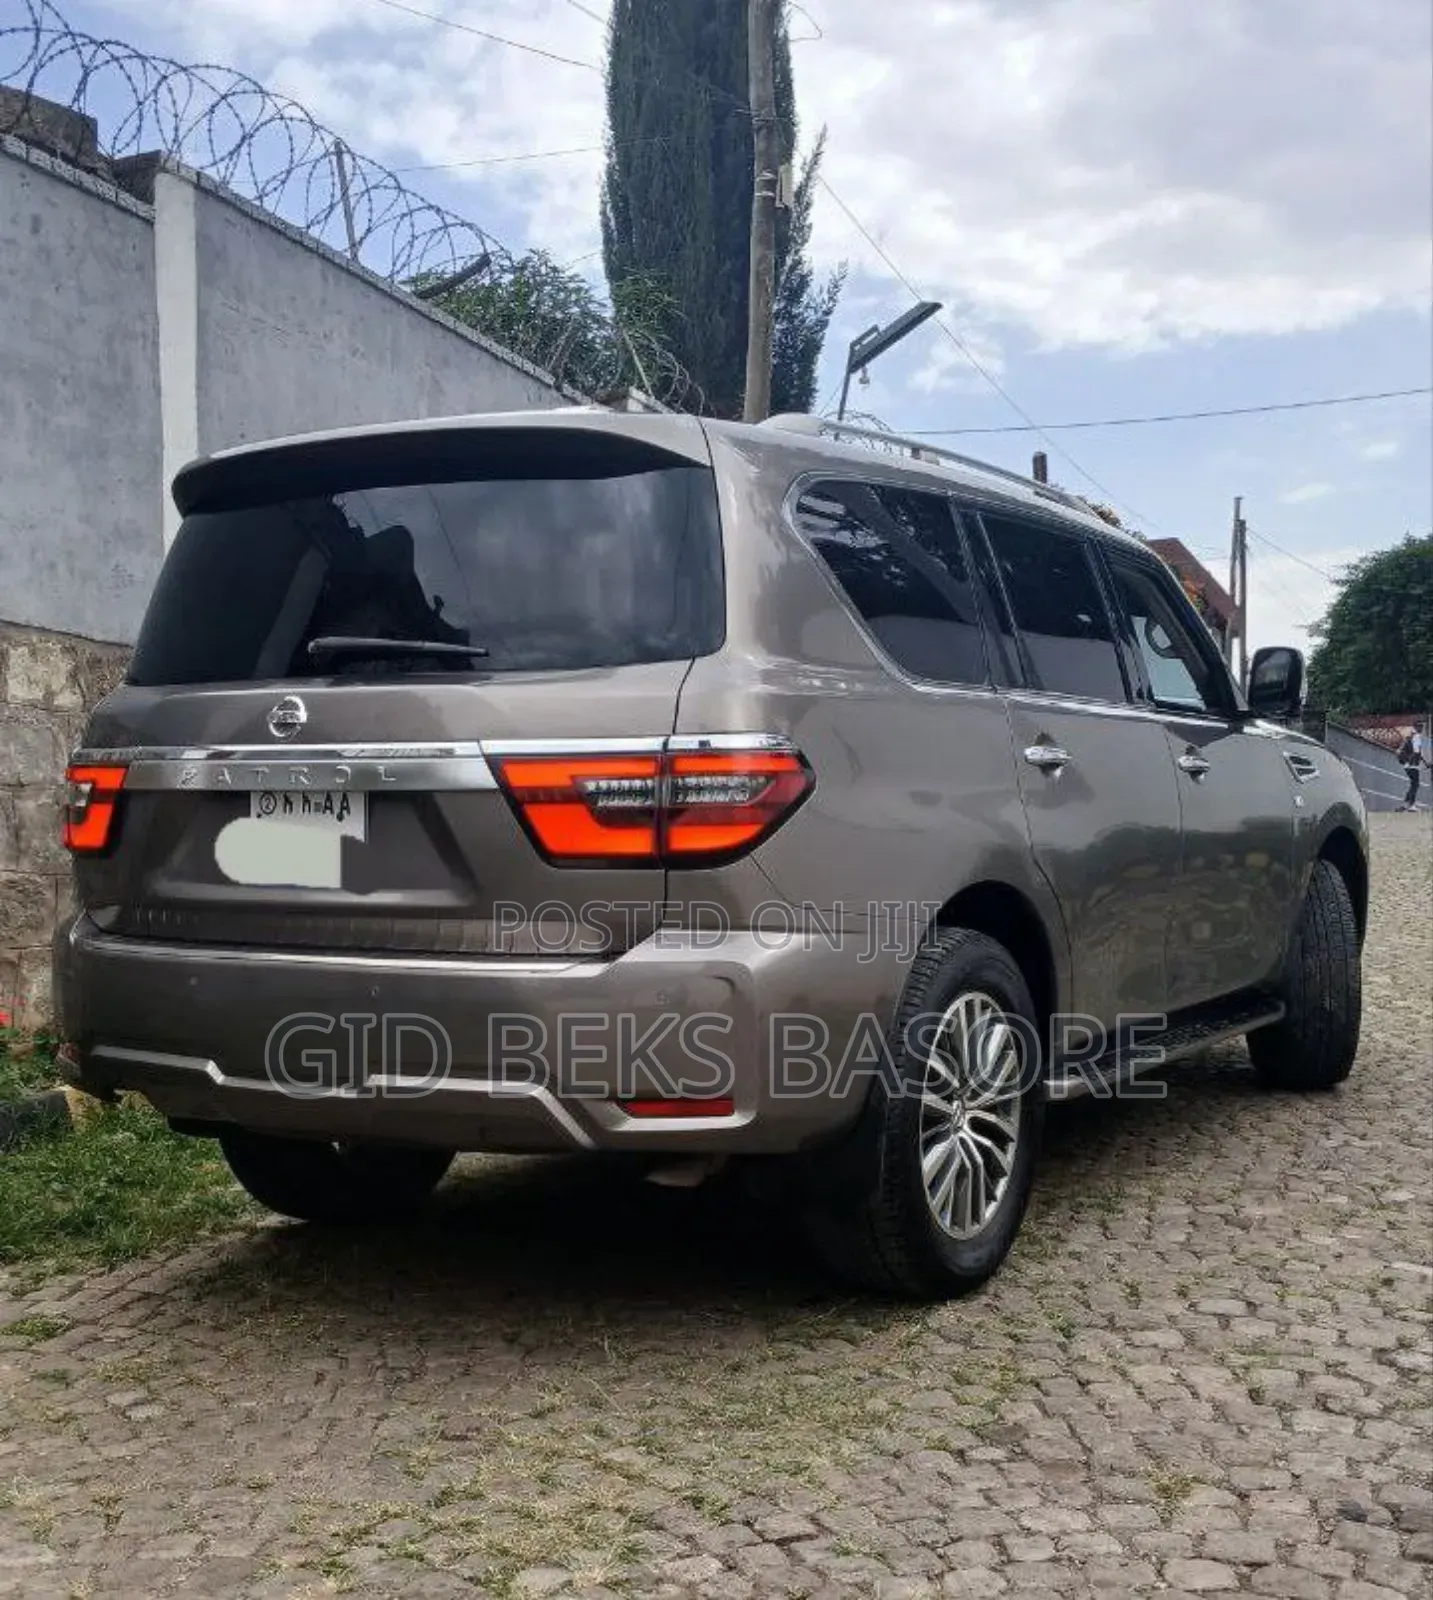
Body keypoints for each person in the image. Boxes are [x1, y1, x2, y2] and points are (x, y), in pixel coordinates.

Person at [1396, 726, 1430, 811]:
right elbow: (1416, 752)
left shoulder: (1409, 739)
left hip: (1407, 765)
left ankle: (1405, 805)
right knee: (1415, 785)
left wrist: (1425, 763)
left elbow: (1418, 754)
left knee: (1413, 784)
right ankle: (1411, 805)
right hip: (1412, 765)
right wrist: (1415, 763)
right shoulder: (1417, 737)